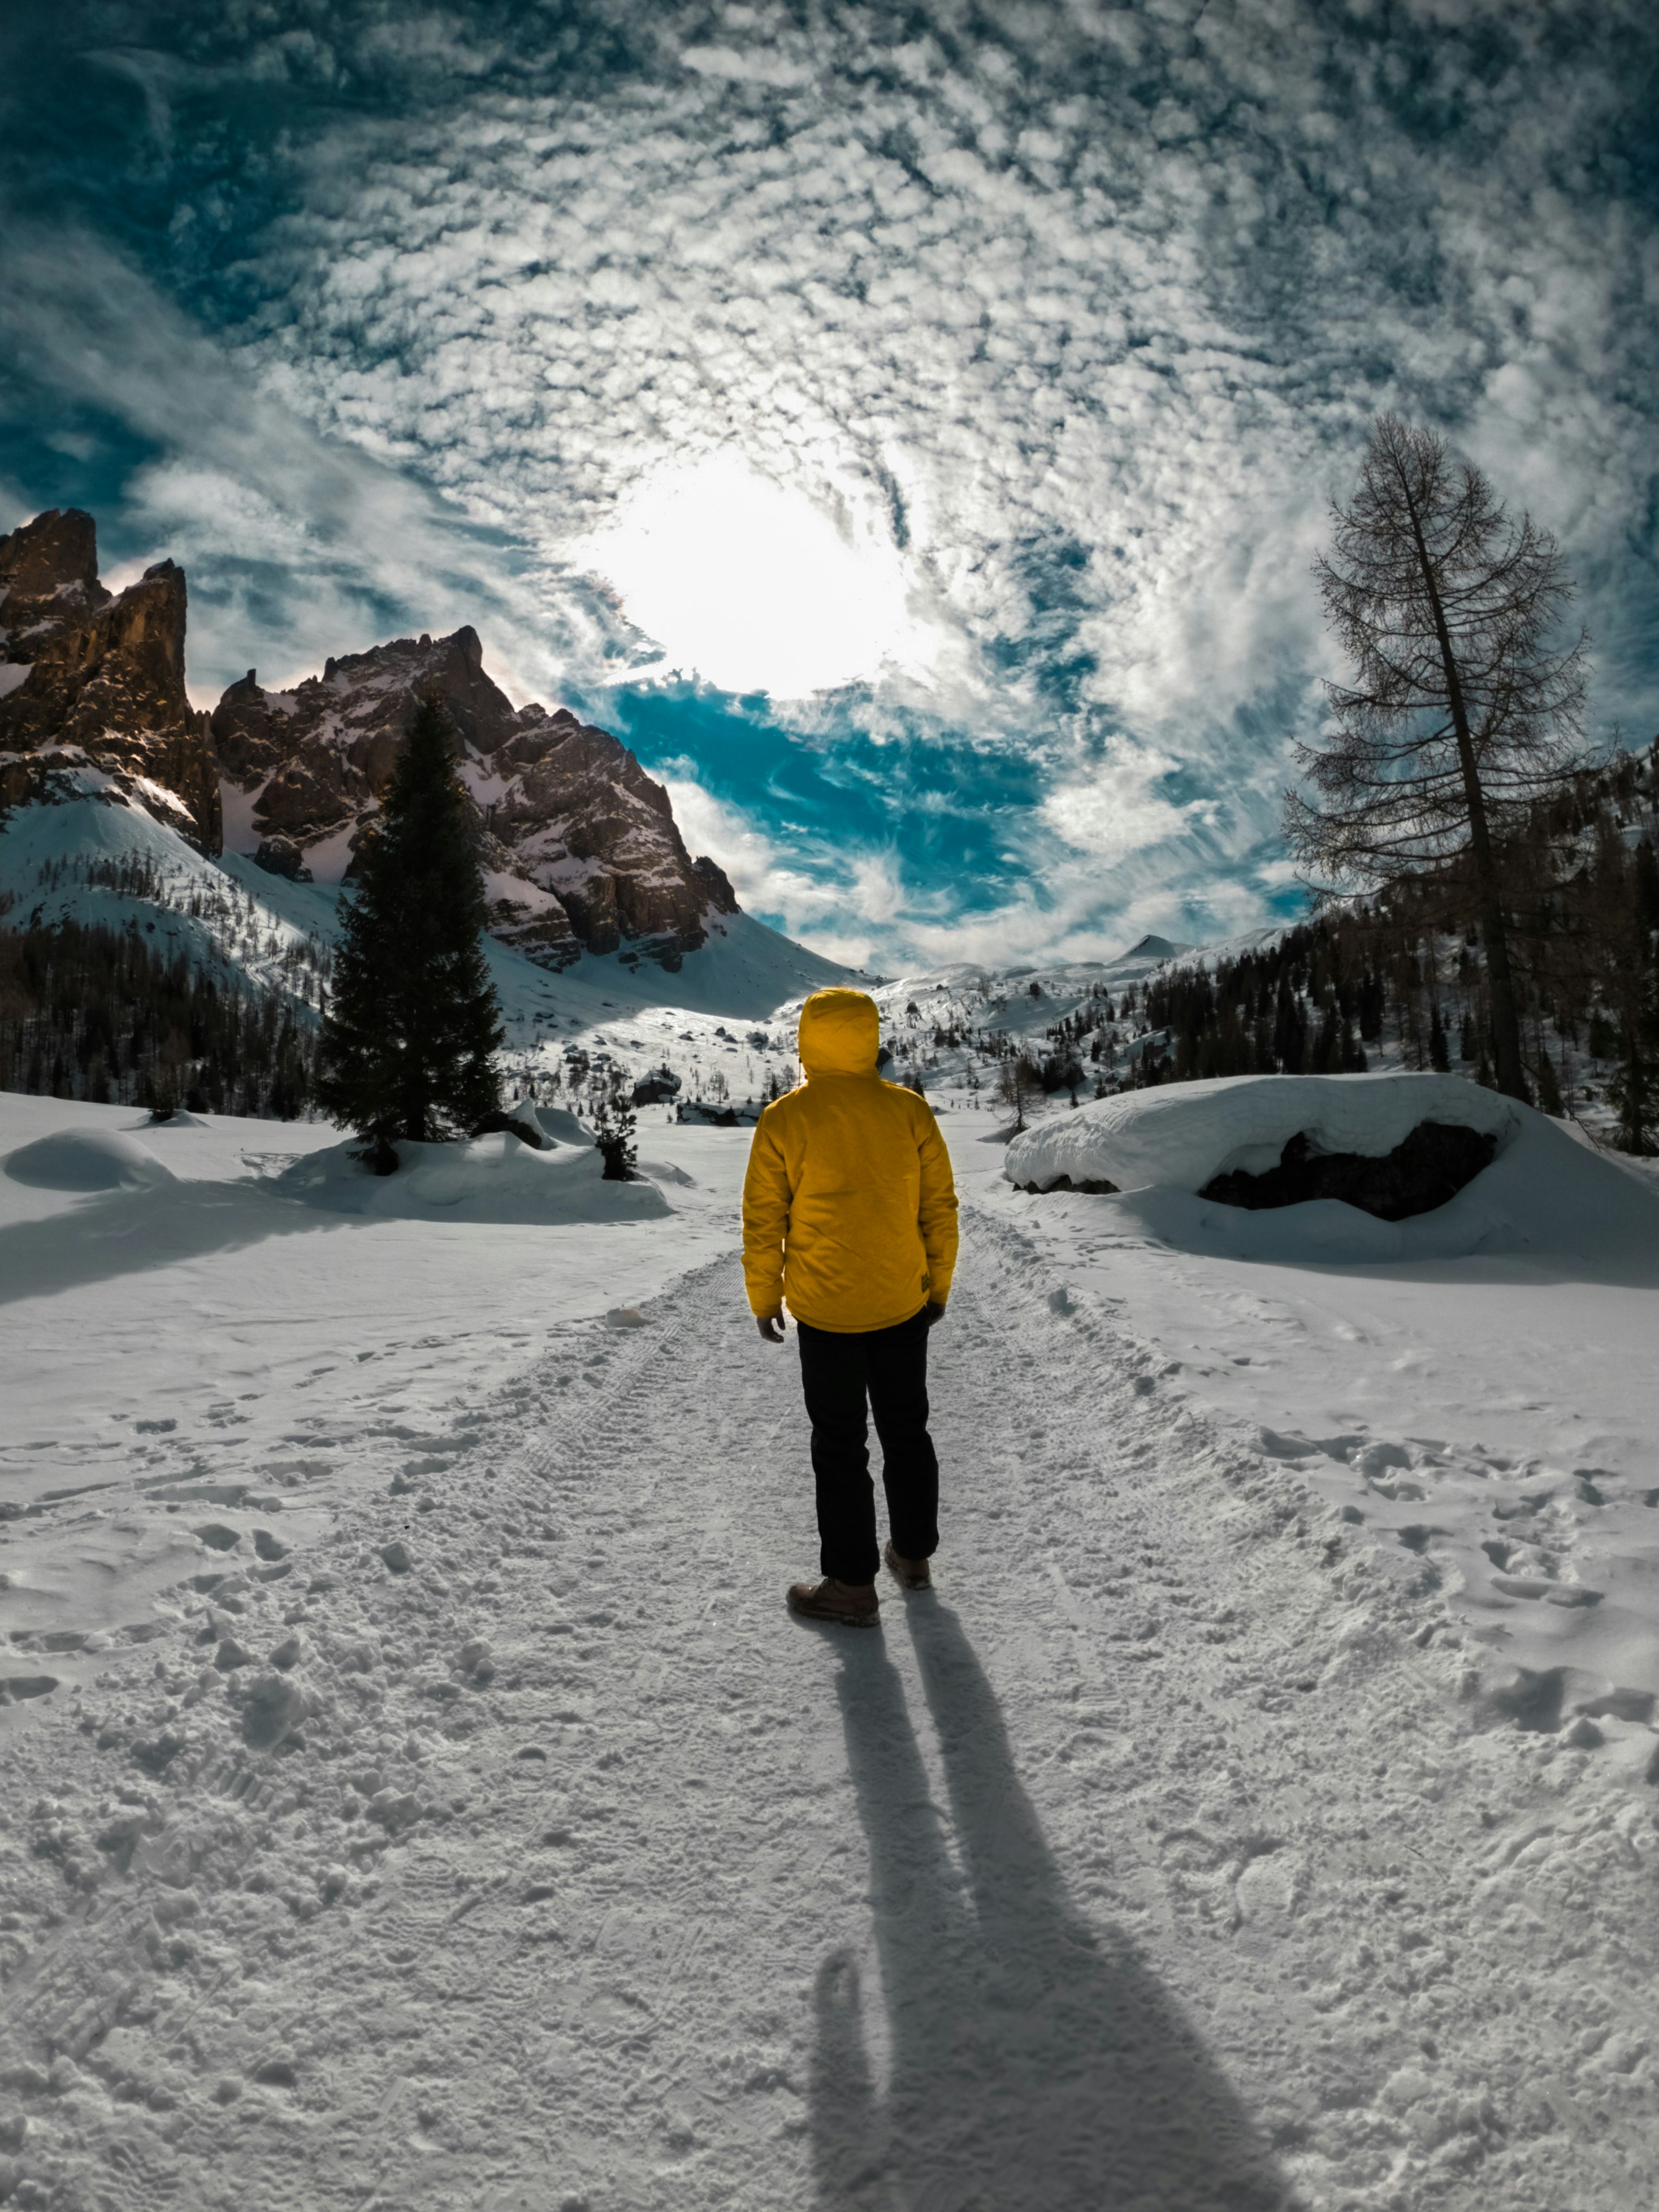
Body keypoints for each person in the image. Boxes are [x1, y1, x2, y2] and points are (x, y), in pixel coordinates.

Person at [742, 988, 959, 1626]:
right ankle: (913, 1557)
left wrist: (765, 1296)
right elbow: (938, 1208)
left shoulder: (785, 1118)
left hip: (827, 1311)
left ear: (807, 1039)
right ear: (869, 1037)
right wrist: (937, 1287)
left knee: (840, 1445)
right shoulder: (908, 1110)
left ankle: (850, 1586)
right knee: (906, 1429)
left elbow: (763, 1220)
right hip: (900, 1303)